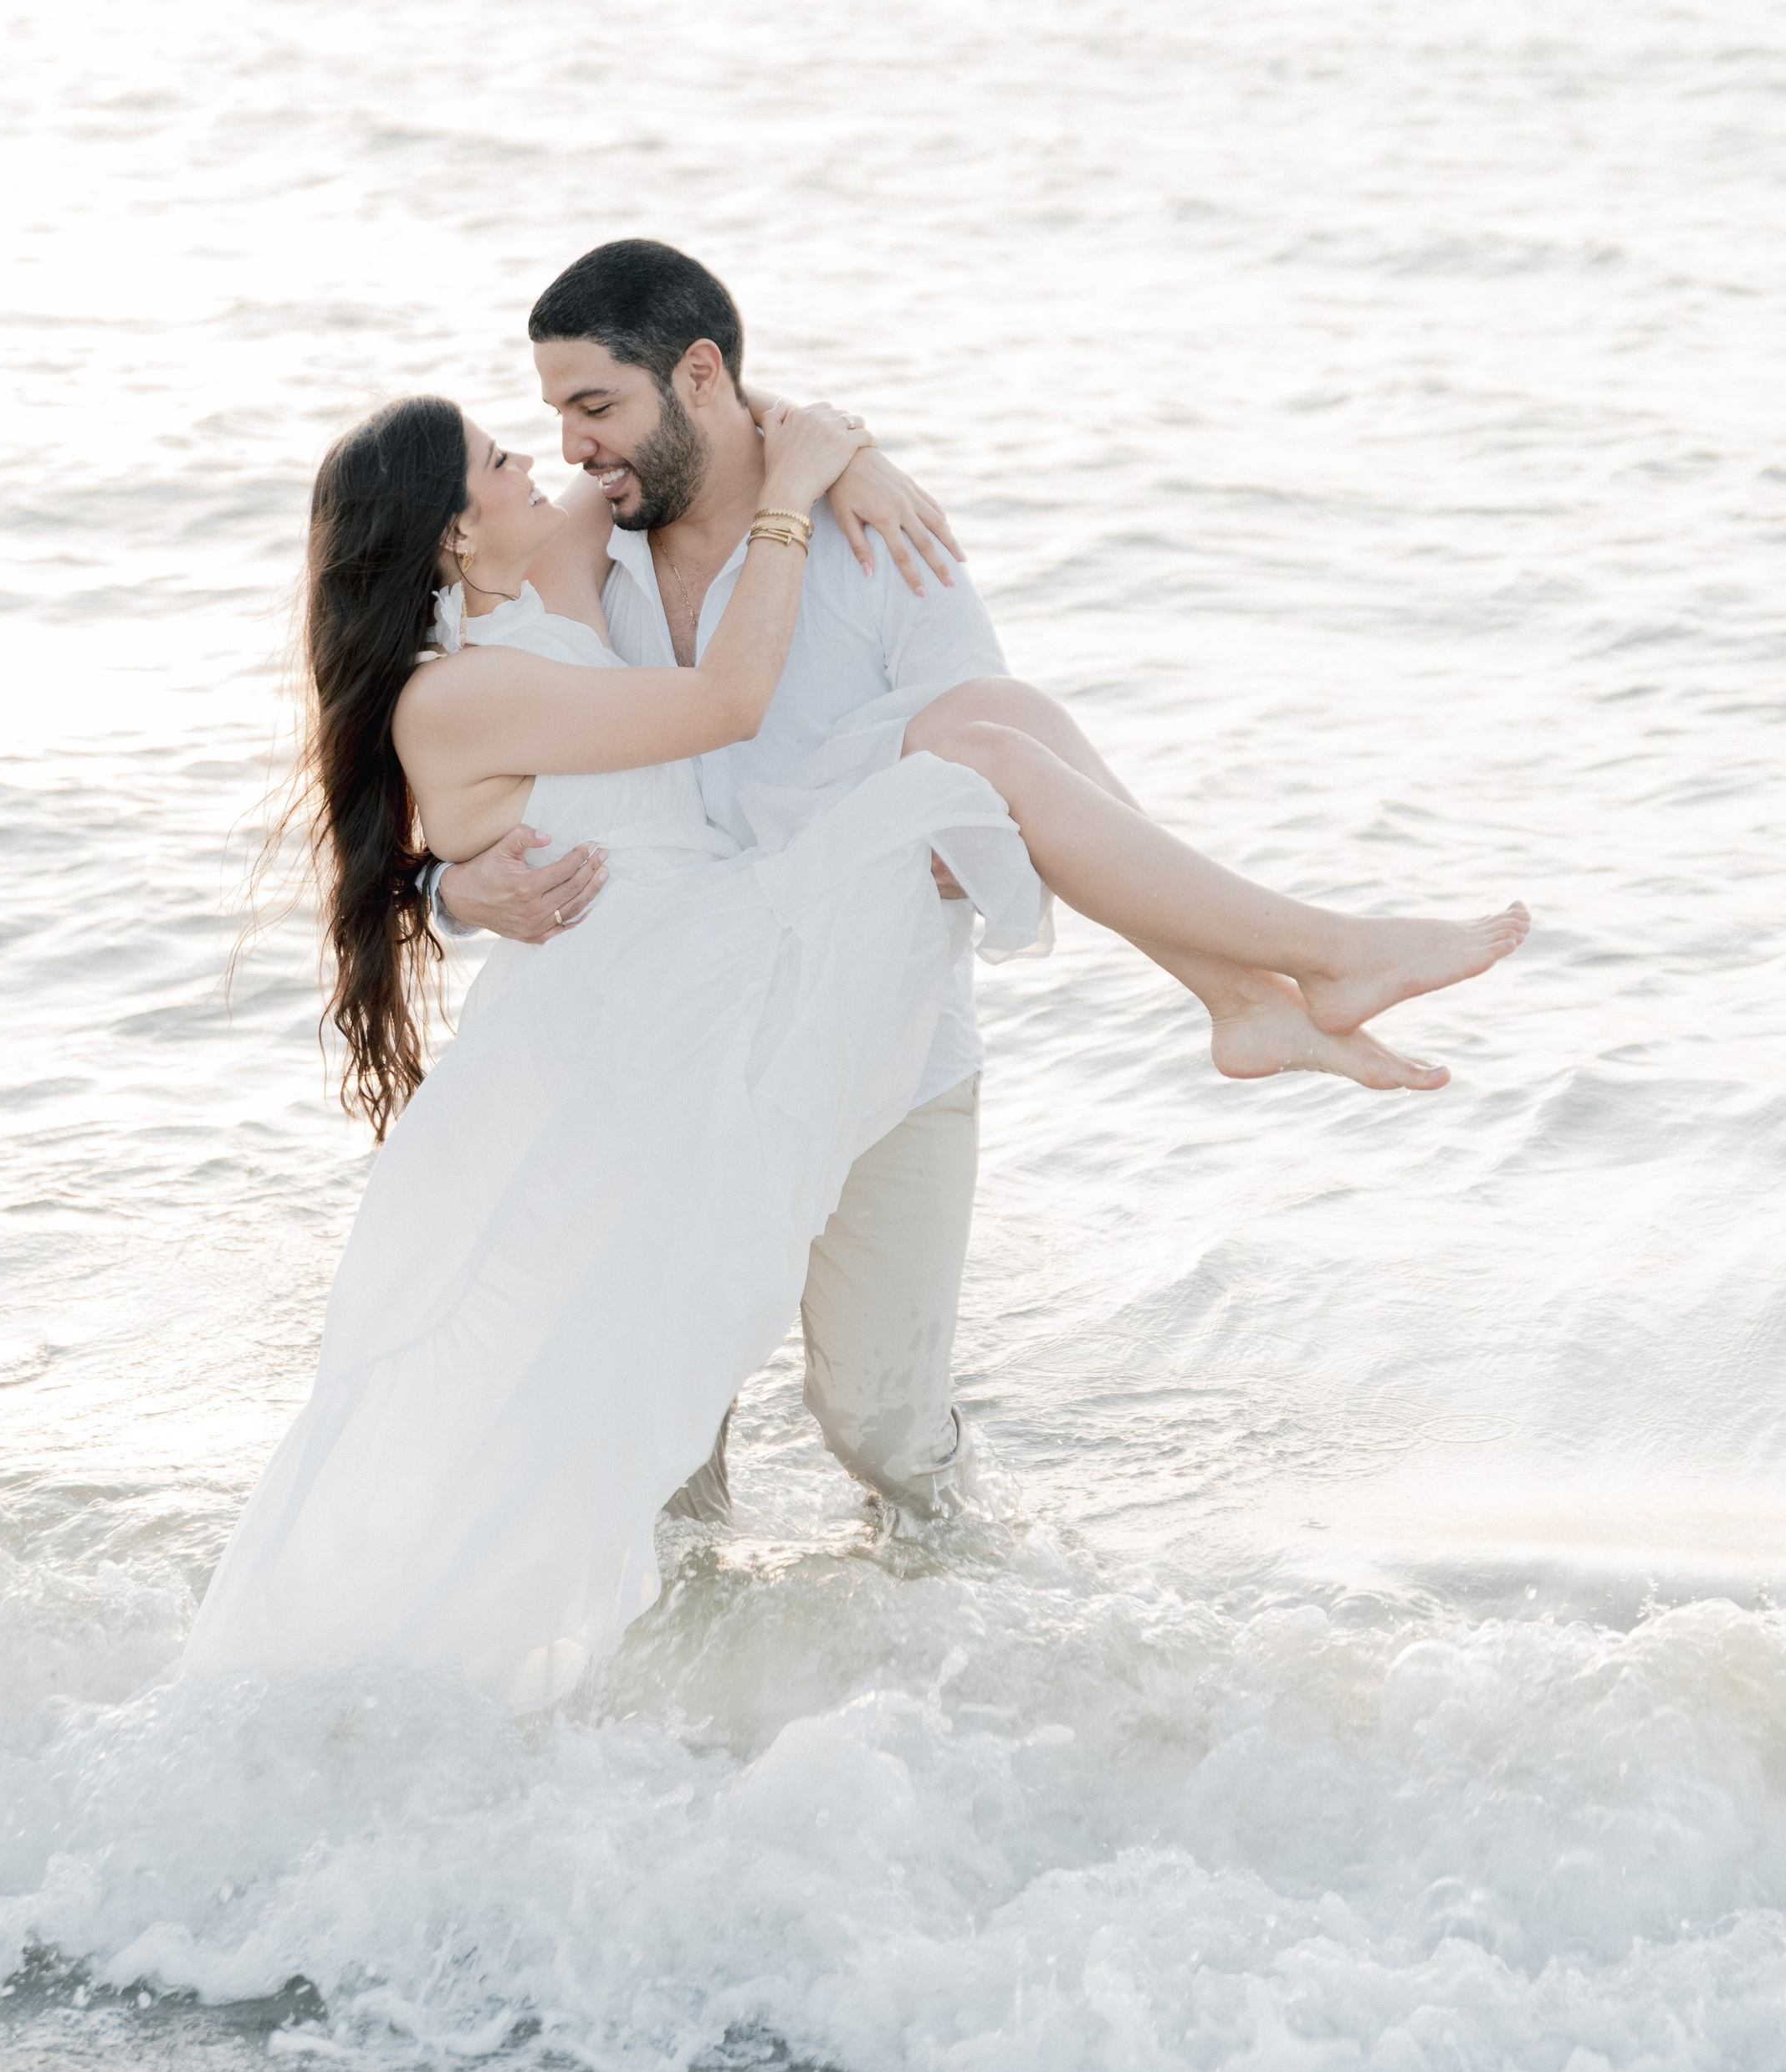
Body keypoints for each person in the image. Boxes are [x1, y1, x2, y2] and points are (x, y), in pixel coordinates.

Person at [185, 360, 1524, 1711]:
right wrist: (802, 497)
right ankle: (1310, 959)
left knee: (994, 720)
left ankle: (1245, 995)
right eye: (495, 462)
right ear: (454, 534)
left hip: (700, 955)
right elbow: (728, 706)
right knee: (617, 1422)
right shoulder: (458, 693)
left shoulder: (547, 581)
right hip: (656, 1022)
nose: (539, 460)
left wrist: (845, 453)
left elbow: (694, 409)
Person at [432, 242, 1508, 1527]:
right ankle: (681, 1711)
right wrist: (456, 894)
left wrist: (839, 465)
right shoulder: (573, 549)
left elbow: (1006, 805)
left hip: (879, 1026)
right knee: (662, 1452)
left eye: (593, 407)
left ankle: (977, 1670)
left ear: (702, 377)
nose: (566, 447)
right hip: (658, 1042)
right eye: (550, 417)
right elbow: (418, 782)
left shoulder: (878, 541)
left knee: (885, 1433)